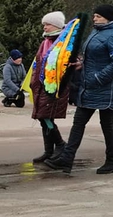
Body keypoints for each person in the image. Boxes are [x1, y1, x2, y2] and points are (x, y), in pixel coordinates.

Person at [45, 4, 113, 174]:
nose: (94, 19)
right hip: (88, 85)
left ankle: (112, 161)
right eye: (94, 16)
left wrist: (98, 78)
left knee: (107, 124)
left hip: (105, 88)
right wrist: (81, 64)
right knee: (78, 122)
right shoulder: (96, 31)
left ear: (108, 17)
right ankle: (67, 159)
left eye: (98, 16)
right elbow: (95, 57)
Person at [30, 11, 69, 163]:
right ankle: (49, 150)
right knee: (42, 117)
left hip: (53, 87)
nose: (45, 27)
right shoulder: (45, 42)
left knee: (46, 117)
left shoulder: (63, 42)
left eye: (48, 24)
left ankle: (60, 144)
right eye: (44, 25)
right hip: (40, 86)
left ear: (57, 26)